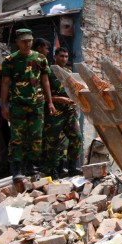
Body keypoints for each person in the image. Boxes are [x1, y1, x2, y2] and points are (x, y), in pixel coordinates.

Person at [0, 29, 55, 183]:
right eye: (24, 41)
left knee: (36, 136)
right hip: (18, 104)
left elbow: (45, 81)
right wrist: (3, 105)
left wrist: (50, 101)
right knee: (17, 137)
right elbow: (5, 83)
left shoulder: (40, 59)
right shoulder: (10, 60)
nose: (27, 44)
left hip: (37, 104)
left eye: (29, 40)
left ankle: (31, 166)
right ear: (17, 41)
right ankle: (17, 169)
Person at [41, 47, 83, 179]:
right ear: (55, 57)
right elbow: (42, 95)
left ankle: (72, 167)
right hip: (55, 111)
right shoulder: (48, 72)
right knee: (53, 142)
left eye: (66, 56)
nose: (64, 59)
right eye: (61, 56)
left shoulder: (68, 72)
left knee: (77, 138)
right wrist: (59, 99)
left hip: (69, 111)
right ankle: (52, 170)